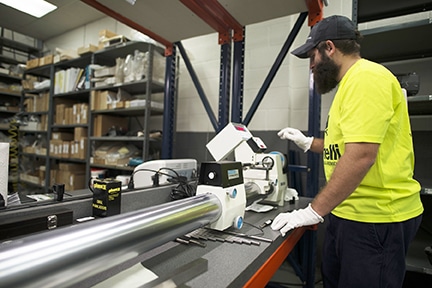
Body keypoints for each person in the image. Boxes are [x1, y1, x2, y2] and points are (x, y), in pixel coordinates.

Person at [270, 15, 423, 287]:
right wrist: (308, 143)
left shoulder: (366, 79)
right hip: (349, 213)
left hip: (376, 218)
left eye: (312, 56)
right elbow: (345, 147)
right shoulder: (351, 83)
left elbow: (362, 155)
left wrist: (313, 211)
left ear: (329, 47)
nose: (312, 66)